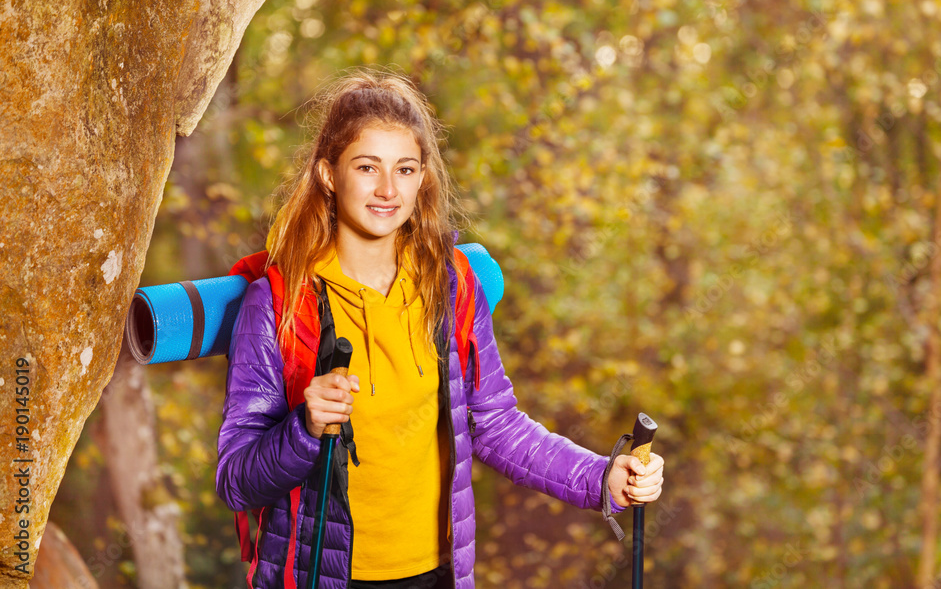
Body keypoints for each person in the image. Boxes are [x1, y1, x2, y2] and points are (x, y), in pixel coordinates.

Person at [216, 68, 665, 589]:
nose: (388, 190)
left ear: (423, 177)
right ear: (327, 175)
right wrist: (305, 427)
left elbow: (495, 424)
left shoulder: (450, 285)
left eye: (405, 169)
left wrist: (601, 477)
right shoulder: (278, 301)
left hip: (437, 575)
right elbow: (236, 481)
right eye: (367, 167)